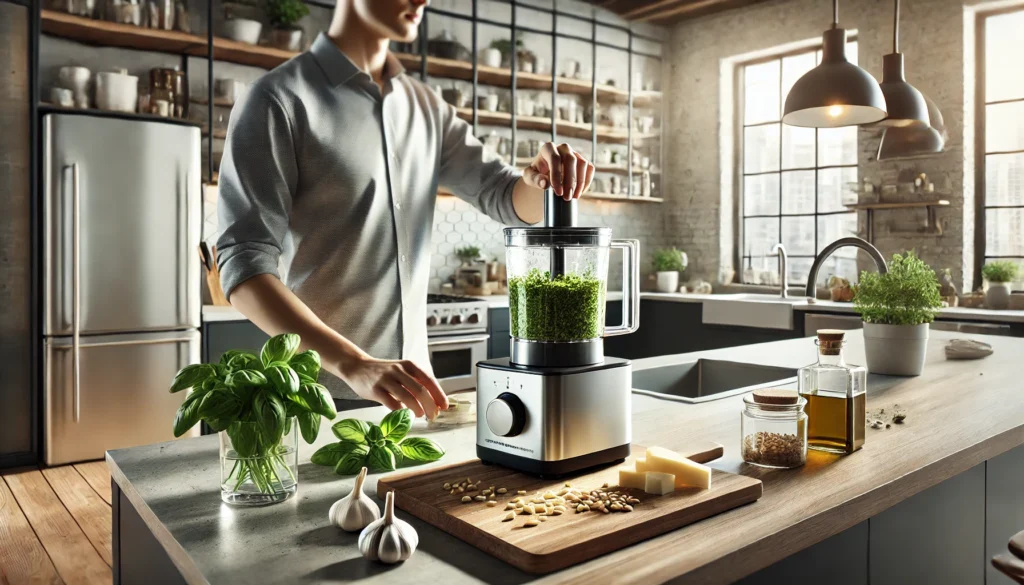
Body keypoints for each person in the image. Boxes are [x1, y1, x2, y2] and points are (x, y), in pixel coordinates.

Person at [216, 0, 595, 420]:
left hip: (414, 402)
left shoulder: (427, 108)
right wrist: (354, 364)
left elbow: (505, 197)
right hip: (317, 404)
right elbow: (243, 266)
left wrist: (540, 178)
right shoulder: (277, 100)